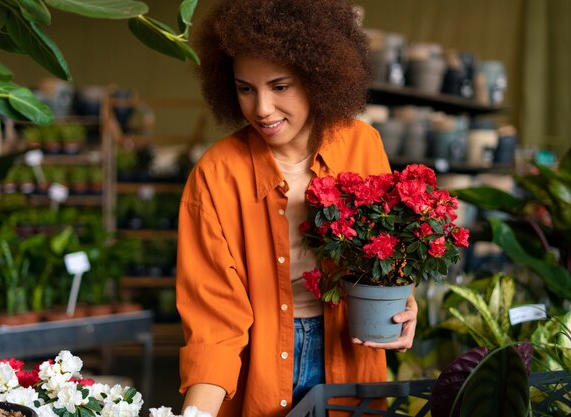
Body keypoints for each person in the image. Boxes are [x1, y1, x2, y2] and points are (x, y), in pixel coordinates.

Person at [175, 1, 418, 416]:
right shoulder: (216, 175)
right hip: (260, 367)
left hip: (351, 354)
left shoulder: (363, 144)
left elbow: (390, 251)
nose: (262, 108)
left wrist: (406, 303)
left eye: (280, 85)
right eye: (245, 88)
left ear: (317, 75)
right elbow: (214, 322)